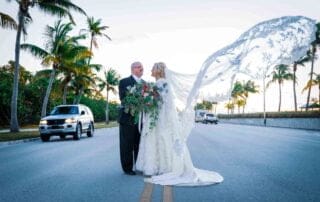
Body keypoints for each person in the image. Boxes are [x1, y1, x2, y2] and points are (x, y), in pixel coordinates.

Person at [136, 62, 223, 186]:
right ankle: (155, 167)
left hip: (160, 118)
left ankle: (163, 167)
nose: (151, 70)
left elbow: (166, 104)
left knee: (161, 140)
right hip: (154, 116)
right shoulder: (157, 84)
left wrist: (150, 102)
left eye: (153, 68)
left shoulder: (163, 84)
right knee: (154, 140)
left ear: (158, 70)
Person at [118, 61, 144, 175]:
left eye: (142, 67)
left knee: (139, 143)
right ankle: (127, 168)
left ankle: (138, 166)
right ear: (133, 69)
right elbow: (123, 98)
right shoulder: (124, 82)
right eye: (139, 67)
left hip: (141, 119)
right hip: (127, 118)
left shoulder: (145, 83)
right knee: (126, 144)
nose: (142, 69)